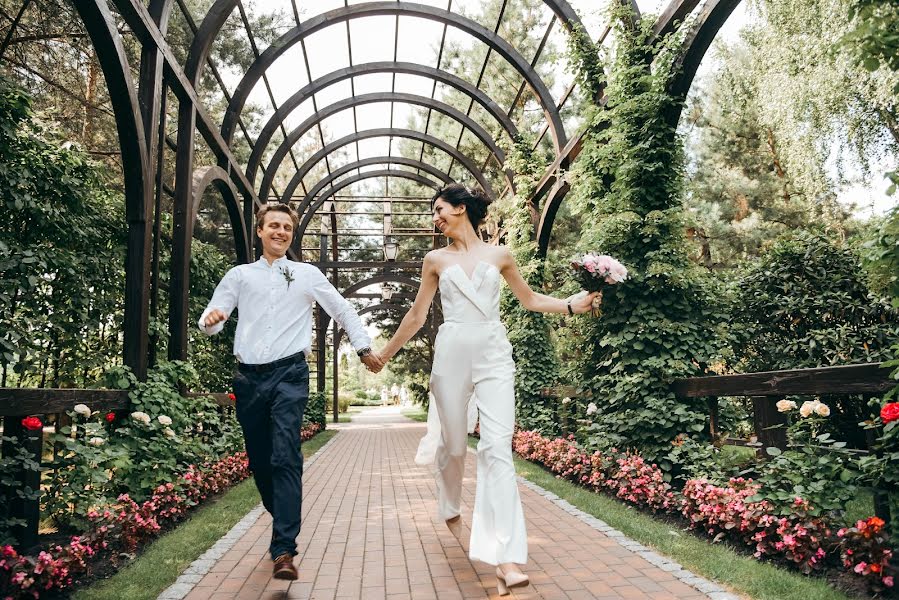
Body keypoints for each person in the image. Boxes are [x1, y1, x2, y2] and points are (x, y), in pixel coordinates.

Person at [371, 184, 598, 595]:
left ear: (461, 209)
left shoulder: (501, 255)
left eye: (439, 210)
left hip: (494, 353)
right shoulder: (435, 260)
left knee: (497, 449)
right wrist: (383, 355)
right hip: (452, 353)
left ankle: (507, 558)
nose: (435, 218)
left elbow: (528, 300)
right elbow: (418, 314)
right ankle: (450, 505)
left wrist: (570, 304)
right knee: (455, 447)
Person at [198, 203, 383, 580]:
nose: (281, 232)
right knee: (261, 462)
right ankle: (282, 514)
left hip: (290, 374)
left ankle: (284, 549)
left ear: (292, 234)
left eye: (287, 227)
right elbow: (214, 316)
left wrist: (363, 347)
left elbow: (344, 310)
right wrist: (211, 320)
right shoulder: (239, 275)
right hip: (248, 379)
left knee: (285, 455)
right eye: (274, 226)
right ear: (260, 231)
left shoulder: (307, 274)